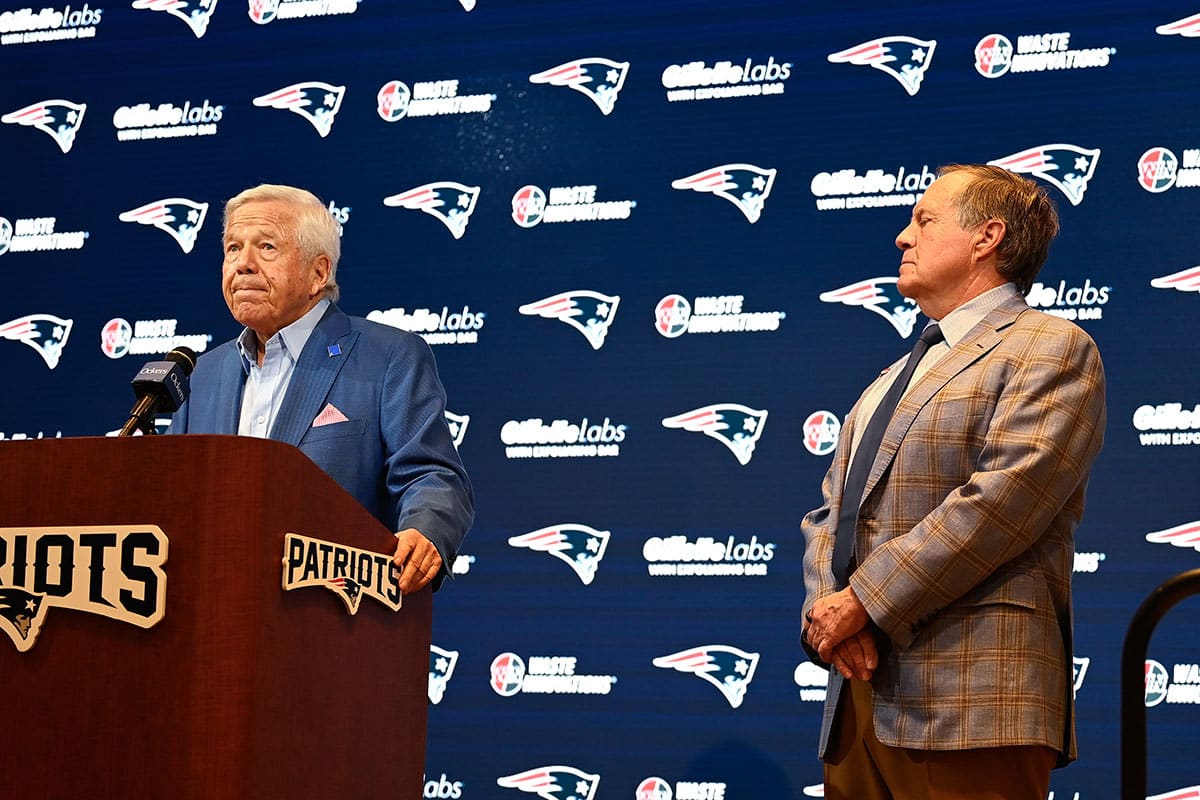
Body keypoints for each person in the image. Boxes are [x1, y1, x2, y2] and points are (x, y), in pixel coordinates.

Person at [800, 164, 1106, 799]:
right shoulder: (890, 376)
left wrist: (862, 602)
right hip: (857, 699)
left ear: (987, 237)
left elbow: (1001, 502)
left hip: (973, 702)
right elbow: (834, 512)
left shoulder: (1052, 347)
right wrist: (825, 616)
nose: (901, 238)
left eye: (923, 220)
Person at [170, 183, 473, 593]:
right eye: (232, 248)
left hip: (332, 618)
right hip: (216, 611)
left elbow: (431, 475)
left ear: (319, 272)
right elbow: (172, 502)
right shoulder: (201, 374)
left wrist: (425, 531)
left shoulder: (388, 357)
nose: (243, 264)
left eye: (267, 248)